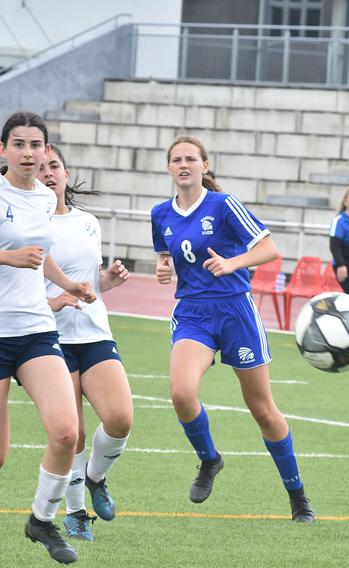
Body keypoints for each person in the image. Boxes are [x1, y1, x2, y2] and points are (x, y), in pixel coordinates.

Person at [151, 136, 314, 522]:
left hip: (236, 312)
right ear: (169, 168)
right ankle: (209, 460)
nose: (184, 164)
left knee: (262, 409)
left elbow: (269, 249)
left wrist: (233, 262)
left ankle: (297, 496)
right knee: (181, 392)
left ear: (205, 166)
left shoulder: (223, 205)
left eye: (191, 158)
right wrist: (162, 267)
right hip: (193, 313)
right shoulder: (160, 213)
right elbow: (166, 251)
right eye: (177, 159)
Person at [0, 110, 97, 564]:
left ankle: (41, 519)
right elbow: (20, 255)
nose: (28, 153)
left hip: (35, 327)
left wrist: (67, 283)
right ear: (3, 150)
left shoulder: (42, 197)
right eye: (18, 144)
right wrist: (6, 257)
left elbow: (40, 256)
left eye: (35, 145)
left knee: (65, 431)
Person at [40, 144, 133, 541]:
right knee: (72, 430)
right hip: (48, 339)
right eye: (40, 167)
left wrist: (108, 279)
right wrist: (54, 301)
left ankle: (96, 477)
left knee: (120, 418)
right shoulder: (24, 225)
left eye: (54, 166)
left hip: (94, 332)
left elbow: (91, 284)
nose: (47, 172)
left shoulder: (88, 222)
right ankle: (76, 512)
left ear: (65, 173)